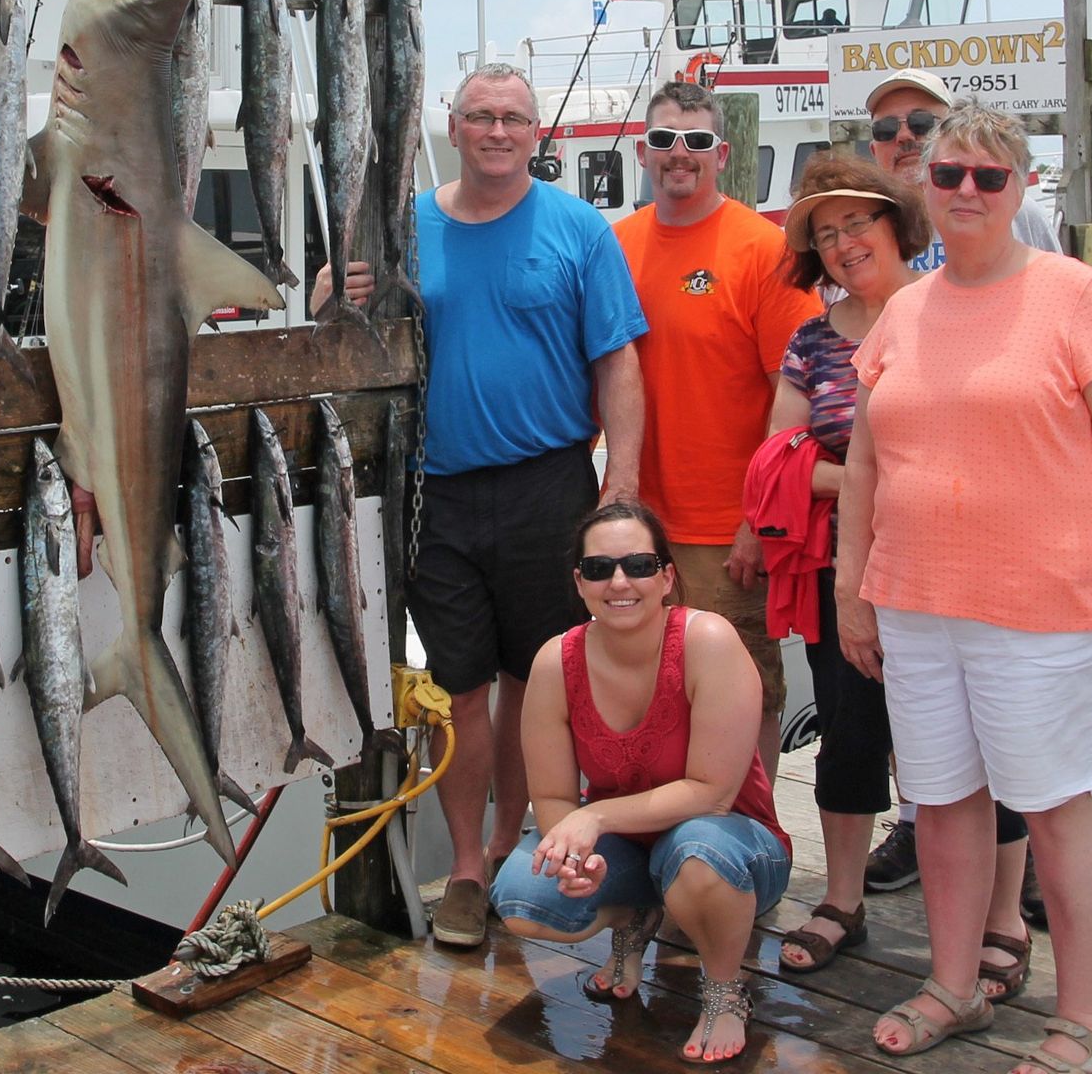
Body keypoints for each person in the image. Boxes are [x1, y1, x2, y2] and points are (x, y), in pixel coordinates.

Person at [837, 99, 1092, 1072]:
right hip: (917, 602)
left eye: (989, 176)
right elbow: (862, 464)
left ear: (1022, 187)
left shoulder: (1072, 296)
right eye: (948, 176)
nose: (967, 191)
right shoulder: (904, 308)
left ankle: (1089, 1021)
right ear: (923, 189)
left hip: (1044, 610)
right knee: (942, 802)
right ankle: (953, 982)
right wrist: (856, 588)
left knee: (1060, 805)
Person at [313, 63, 647, 950]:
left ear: (536, 134)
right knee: (460, 688)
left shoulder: (579, 228)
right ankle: (465, 868)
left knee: (536, 683)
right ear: (453, 128)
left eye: (515, 119)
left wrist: (622, 486)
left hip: (550, 484)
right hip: (436, 495)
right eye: (482, 117)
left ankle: (512, 845)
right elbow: (332, 326)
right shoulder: (405, 229)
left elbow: (619, 362)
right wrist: (323, 297)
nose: (499, 132)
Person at [861, 66, 1060, 929]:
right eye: (889, 130)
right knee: (933, 734)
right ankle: (915, 831)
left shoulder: (1038, 242)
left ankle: (1025, 884)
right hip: (912, 537)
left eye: (922, 125)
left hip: (1018, 541)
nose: (906, 142)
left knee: (1021, 738)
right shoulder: (880, 234)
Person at [491, 500, 791, 1067]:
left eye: (639, 565)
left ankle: (725, 989)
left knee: (697, 849)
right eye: (600, 569)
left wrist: (595, 817)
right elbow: (554, 797)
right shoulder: (557, 662)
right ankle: (636, 914)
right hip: (630, 847)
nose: (620, 581)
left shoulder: (709, 641)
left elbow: (712, 792)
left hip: (736, 849)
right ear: (580, 583)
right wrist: (577, 857)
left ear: (667, 577)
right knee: (521, 897)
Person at [753, 156, 941, 977]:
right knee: (849, 728)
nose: (843, 244)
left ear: (896, 222)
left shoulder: (952, 312)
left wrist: (842, 467)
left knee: (956, 733)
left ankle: (985, 905)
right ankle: (843, 899)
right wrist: (870, 472)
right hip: (845, 566)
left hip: (951, 566)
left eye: (856, 223)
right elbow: (776, 457)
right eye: (825, 236)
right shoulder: (812, 339)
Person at [614, 80, 819, 777]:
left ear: (722, 153)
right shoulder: (614, 246)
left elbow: (795, 402)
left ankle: (750, 834)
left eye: (697, 141)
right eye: (666, 140)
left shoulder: (767, 251)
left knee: (746, 691)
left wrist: (759, 521)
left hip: (728, 530)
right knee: (645, 692)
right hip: (638, 527)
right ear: (643, 151)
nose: (681, 155)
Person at [865, 68, 1062, 270]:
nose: (904, 136)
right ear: (873, 150)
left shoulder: (1020, 212)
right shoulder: (857, 228)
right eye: (885, 129)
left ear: (952, 131)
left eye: (921, 123)